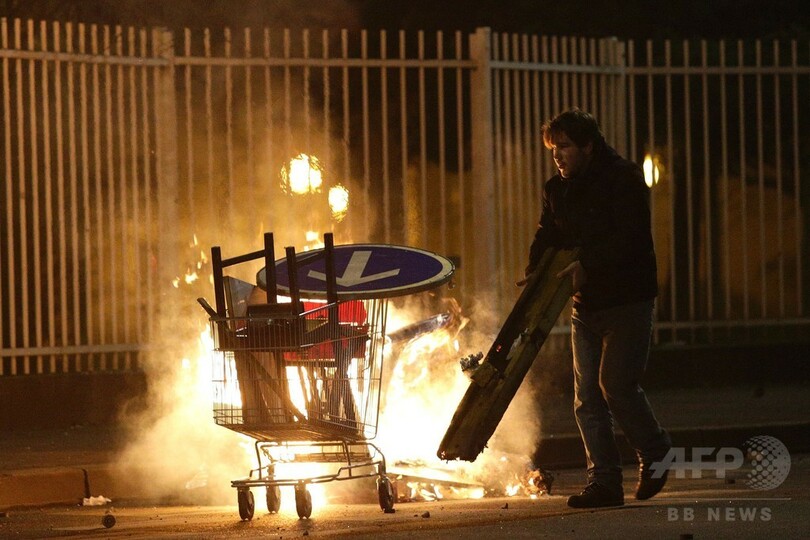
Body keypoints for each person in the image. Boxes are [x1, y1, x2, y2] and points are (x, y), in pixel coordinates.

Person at [524, 108, 671, 508]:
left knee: (617, 386)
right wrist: (535, 272)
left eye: (565, 147)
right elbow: (547, 234)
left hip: (627, 301)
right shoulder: (557, 189)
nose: (557, 155)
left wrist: (587, 264)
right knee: (586, 397)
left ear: (588, 146)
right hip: (585, 306)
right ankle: (604, 483)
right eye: (554, 148)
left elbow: (631, 239)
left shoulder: (622, 180)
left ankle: (655, 452)